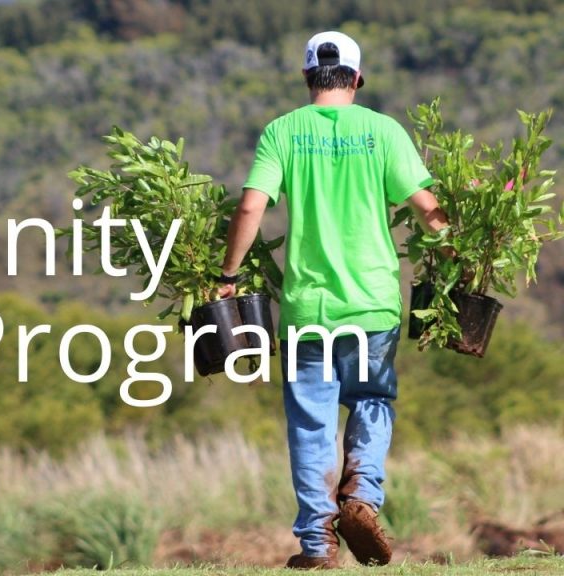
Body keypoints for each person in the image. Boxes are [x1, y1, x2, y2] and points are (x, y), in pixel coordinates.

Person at [216, 31, 450, 569]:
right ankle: (362, 498)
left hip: (307, 309)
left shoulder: (283, 131)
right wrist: (456, 252)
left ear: (306, 77)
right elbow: (425, 205)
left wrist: (227, 274)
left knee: (310, 423)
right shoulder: (383, 131)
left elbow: (250, 209)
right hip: (372, 302)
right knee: (372, 400)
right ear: (357, 77)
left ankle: (318, 545)